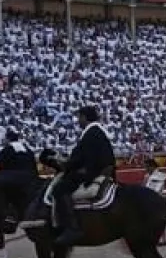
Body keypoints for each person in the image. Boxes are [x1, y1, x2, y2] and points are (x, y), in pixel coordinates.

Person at [50, 105, 117, 248]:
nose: (77, 121)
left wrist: (66, 164)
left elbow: (83, 158)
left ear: (85, 117)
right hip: (97, 169)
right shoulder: (96, 131)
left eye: (79, 117)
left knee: (59, 189)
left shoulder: (91, 133)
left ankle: (72, 227)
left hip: (91, 172)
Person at [143, 158, 166, 246]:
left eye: (146, 167)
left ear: (152, 167)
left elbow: (158, 189)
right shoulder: (147, 176)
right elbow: (143, 187)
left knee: (159, 220)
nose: (145, 169)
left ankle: (163, 239)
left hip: (157, 200)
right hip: (149, 199)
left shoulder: (161, 175)